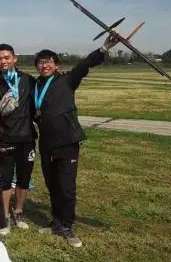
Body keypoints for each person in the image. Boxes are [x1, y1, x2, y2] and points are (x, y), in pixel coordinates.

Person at [35, 34, 119, 248]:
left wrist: (104, 48)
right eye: (41, 62)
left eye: (49, 62)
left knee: (66, 187)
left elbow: (84, 65)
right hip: (46, 143)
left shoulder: (67, 80)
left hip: (67, 143)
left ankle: (68, 225)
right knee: (52, 185)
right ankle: (56, 223)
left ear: (56, 65)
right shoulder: (36, 85)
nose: (45, 65)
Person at [0, 43, 37, 235]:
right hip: (5, 138)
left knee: (24, 178)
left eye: (7, 57)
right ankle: (5, 216)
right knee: (5, 179)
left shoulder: (28, 79)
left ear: (14, 58)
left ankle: (19, 212)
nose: (3, 61)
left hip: (27, 138)